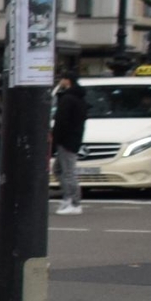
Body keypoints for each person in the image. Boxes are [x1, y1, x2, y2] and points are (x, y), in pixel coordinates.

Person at [52, 73, 87, 216]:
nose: (60, 81)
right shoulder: (78, 98)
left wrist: (56, 137)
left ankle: (73, 201)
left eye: (61, 79)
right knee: (59, 169)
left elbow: (62, 121)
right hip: (72, 138)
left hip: (66, 140)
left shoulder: (67, 99)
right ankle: (69, 198)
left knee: (67, 172)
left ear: (67, 81)